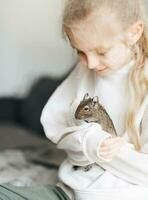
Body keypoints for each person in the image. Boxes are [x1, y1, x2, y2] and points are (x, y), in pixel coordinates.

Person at [0, 0, 147, 200]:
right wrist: (89, 142)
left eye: (101, 52)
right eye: (80, 52)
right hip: (68, 191)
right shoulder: (86, 68)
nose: (91, 63)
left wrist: (93, 147)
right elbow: (55, 127)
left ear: (134, 32)